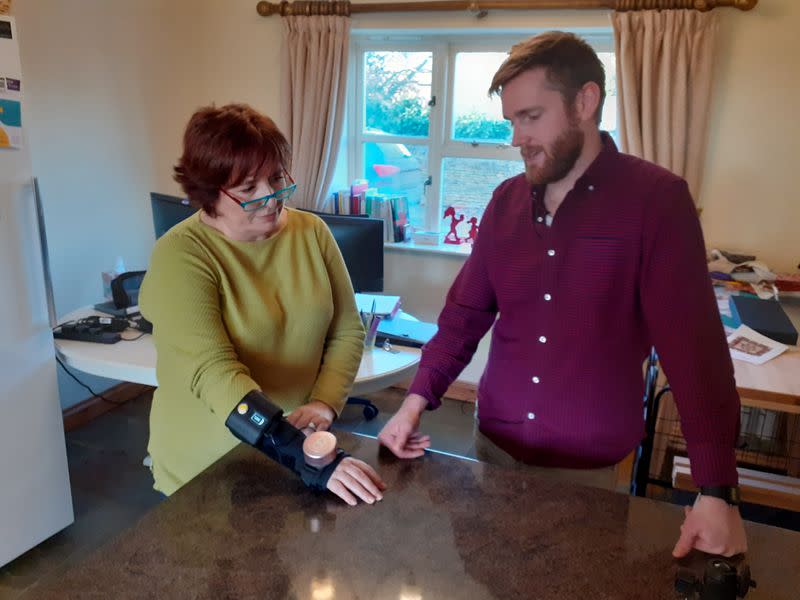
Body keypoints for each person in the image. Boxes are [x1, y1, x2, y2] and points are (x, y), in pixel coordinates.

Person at [378, 32, 747, 557]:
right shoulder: (504, 203)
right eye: (511, 121)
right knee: (487, 579)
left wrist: (717, 491)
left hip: (588, 474)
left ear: (585, 102)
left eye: (531, 117)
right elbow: (463, 317)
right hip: (492, 449)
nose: (516, 138)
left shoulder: (657, 202)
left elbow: (694, 352)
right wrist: (414, 403)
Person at [140, 103, 385, 506]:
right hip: (207, 465)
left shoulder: (312, 233)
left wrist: (324, 402)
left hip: (289, 450)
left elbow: (346, 330)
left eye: (275, 178)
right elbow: (214, 372)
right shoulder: (180, 255)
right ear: (208, 195)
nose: (271, 198)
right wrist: (308, 457)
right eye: (249, 188)